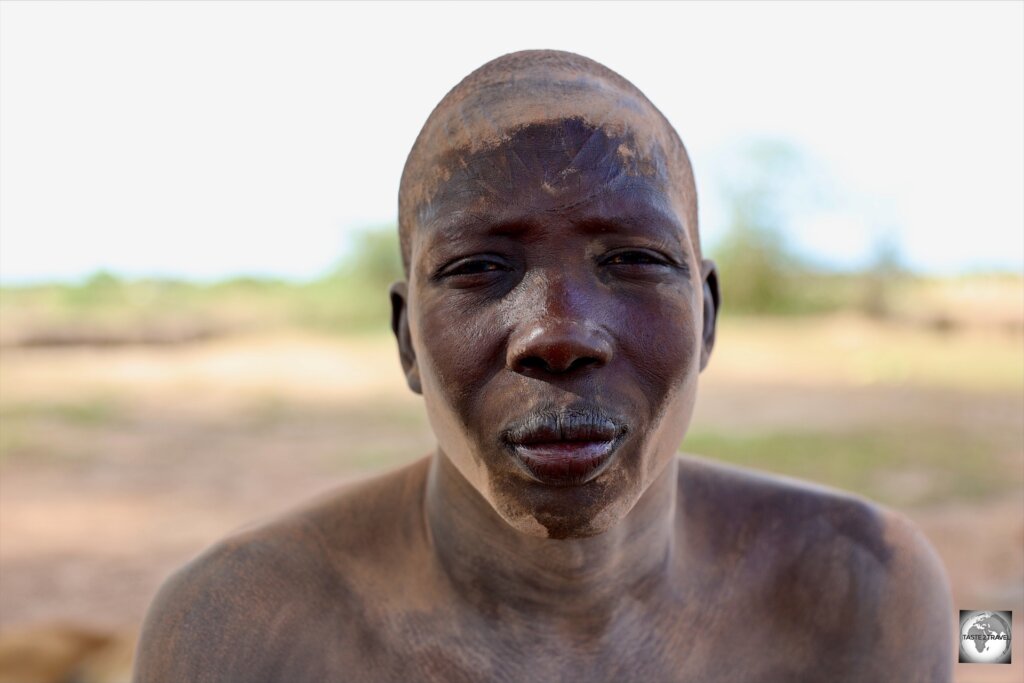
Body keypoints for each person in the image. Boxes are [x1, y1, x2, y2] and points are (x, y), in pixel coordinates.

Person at [133, 50, 953, 683]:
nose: (558, 334)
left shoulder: (866, 590)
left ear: (705, 316)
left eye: (632, 258)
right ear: (407, 338)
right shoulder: (241, 628)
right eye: (479, 268)